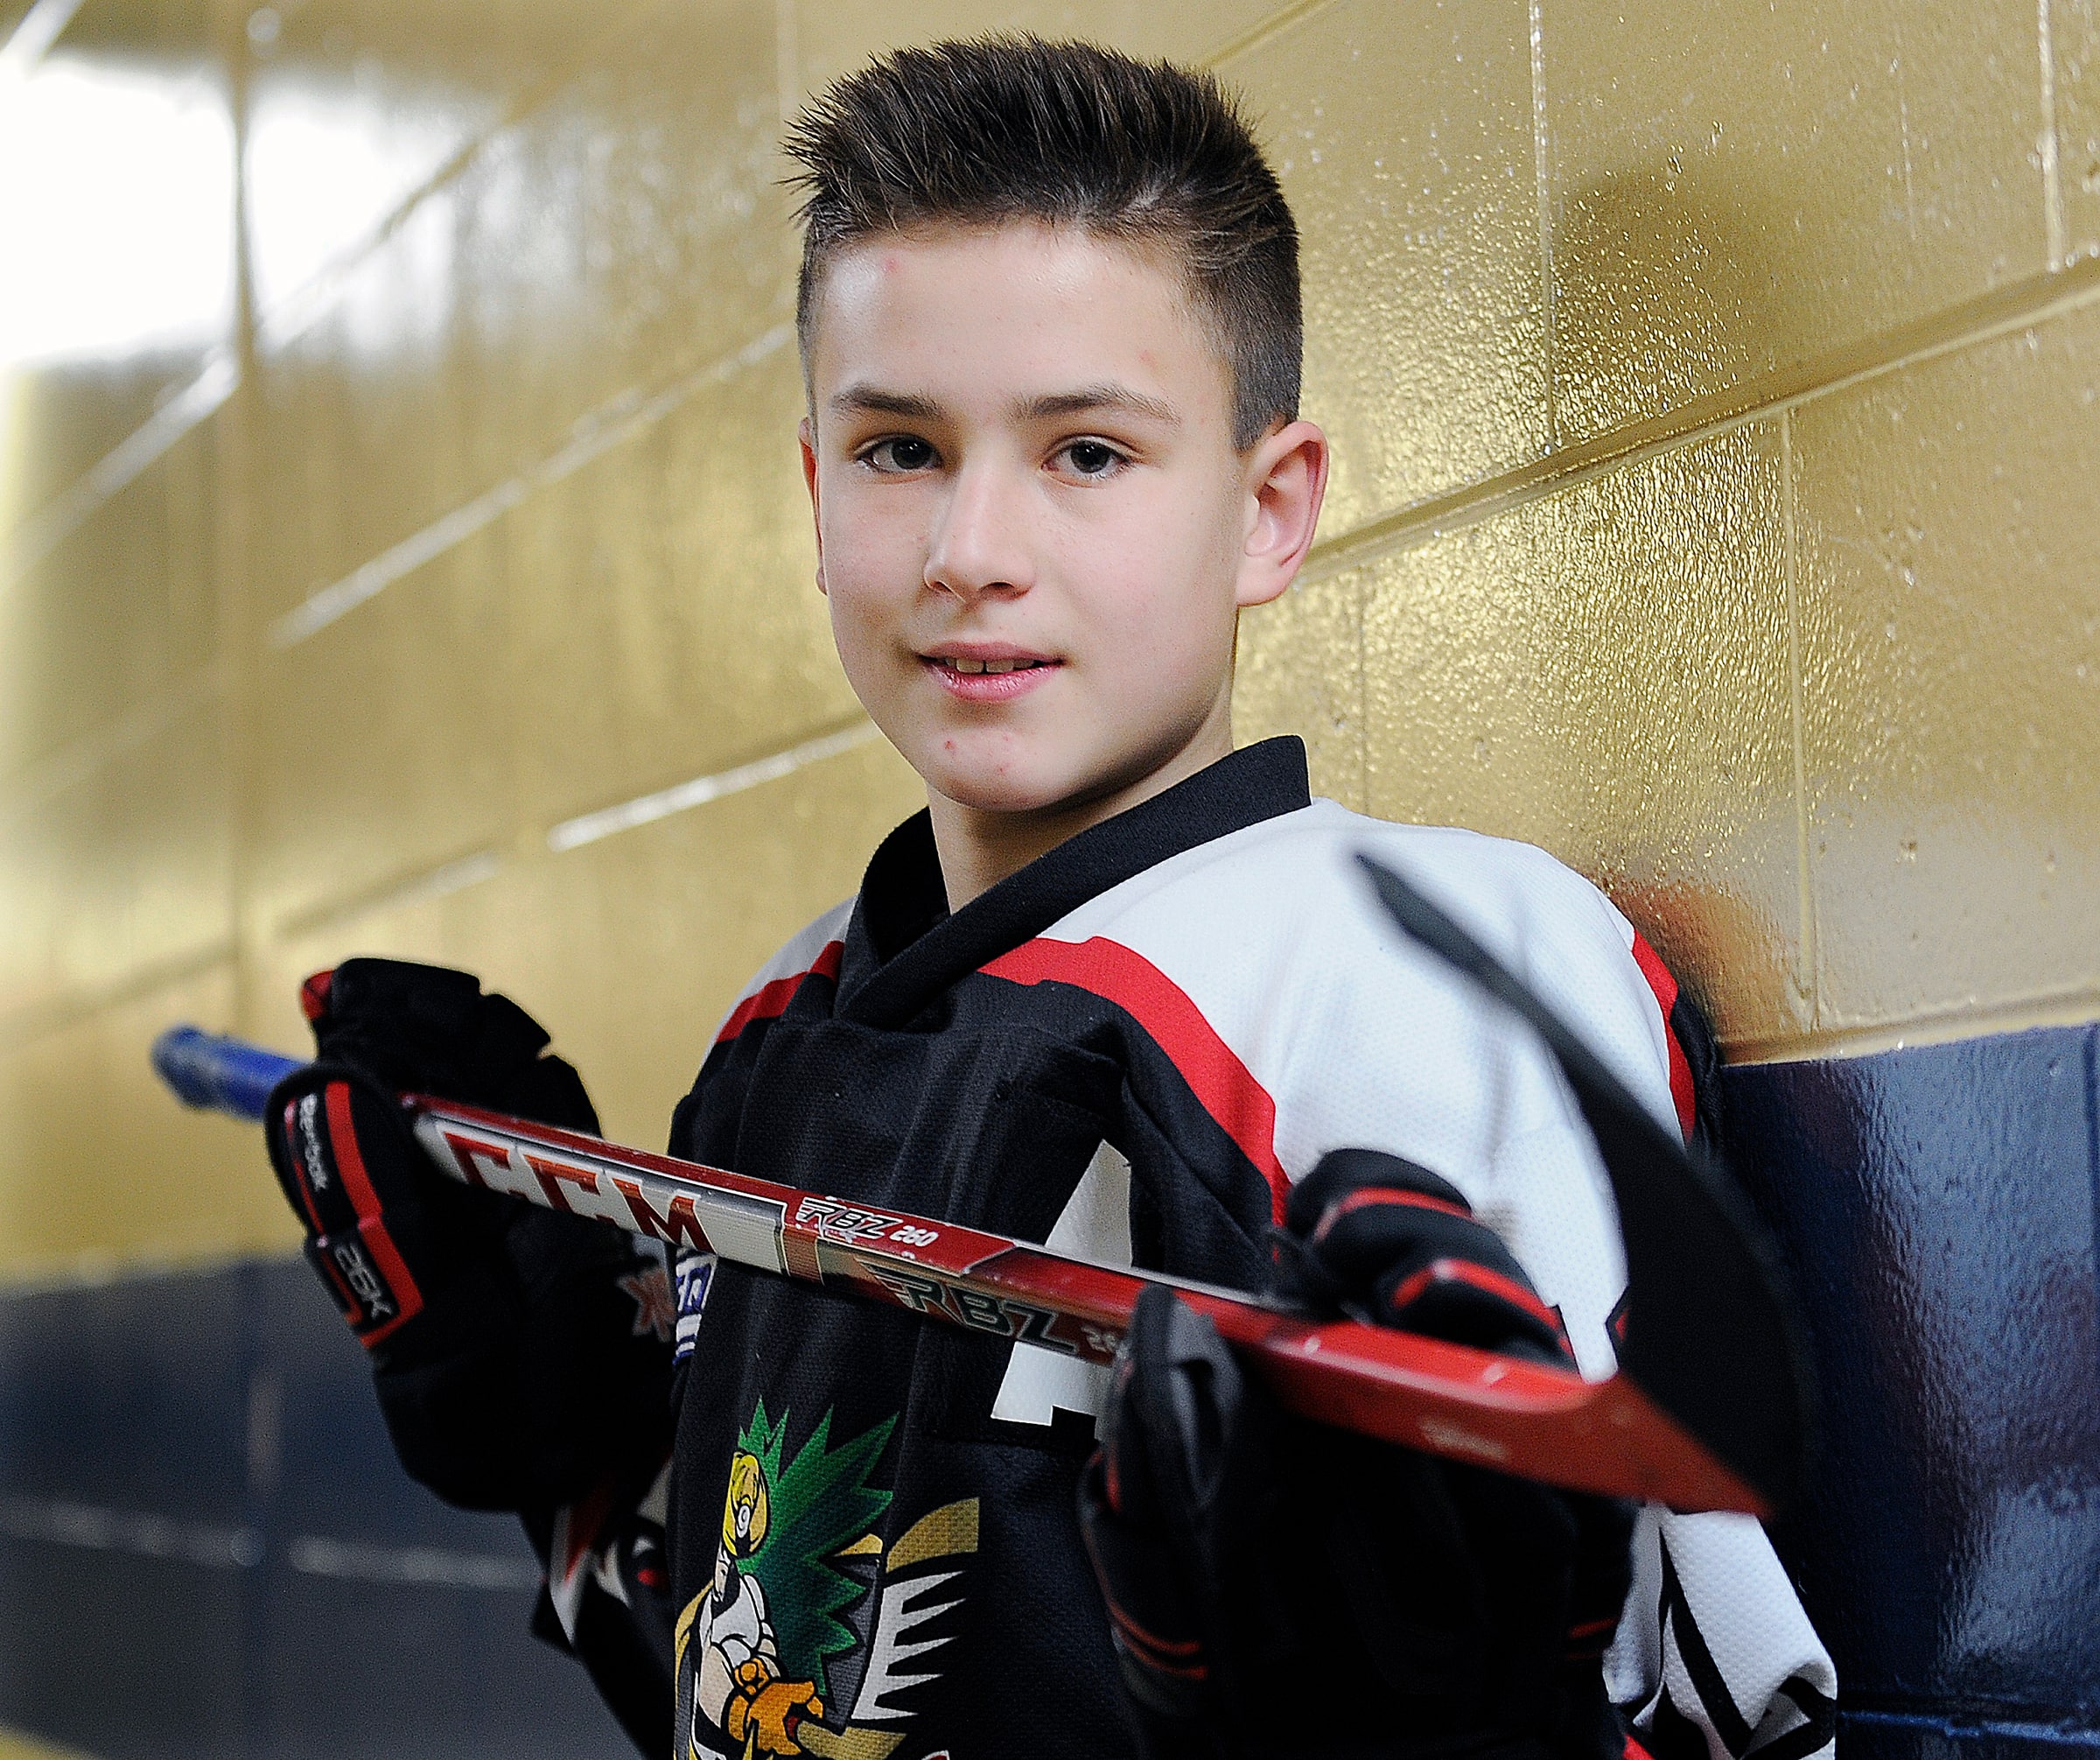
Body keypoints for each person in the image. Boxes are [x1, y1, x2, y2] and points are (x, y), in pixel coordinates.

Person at [260, 36, 1838, 1760]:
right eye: (899, 450)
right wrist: (581, 1468)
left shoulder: (1434, 989)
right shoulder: (779, 1031)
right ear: (814, 493)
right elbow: (757, 1689)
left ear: (1268, 508)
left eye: (1087, 453)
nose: (970, 548)